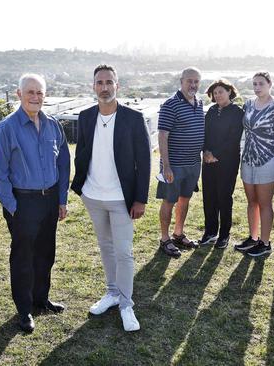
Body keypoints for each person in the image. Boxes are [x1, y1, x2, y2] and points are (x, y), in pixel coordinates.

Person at [71, 65, 151, 332]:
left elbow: (144, 161)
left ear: (118, 86)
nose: (104, 87)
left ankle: (126, 304)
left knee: (124, 252)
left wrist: (140, 199)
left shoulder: (133, 118)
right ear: (93, 86)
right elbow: (81, 153)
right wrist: (80, 187)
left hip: (121, 199)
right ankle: (112, 293)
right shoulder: (84, 116)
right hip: (93, 196)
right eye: (99, 82)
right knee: (106, 247)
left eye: (109, 82)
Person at [0, 73, 70, 333]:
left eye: (40, 93)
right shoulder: (7, 127)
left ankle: (41, 299)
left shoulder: (53, 125)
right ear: (19, 94)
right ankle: (24, 310)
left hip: (49, 201)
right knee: (23, 257)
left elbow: (63, 162)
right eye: (30, 92)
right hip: (22, 202)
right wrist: (13, 207)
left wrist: (61, 199)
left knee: (46, 253)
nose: (35, 97)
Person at [235, 71, 274, 257]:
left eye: (261, 83)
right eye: (254, 84)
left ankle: (265, 242)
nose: (257, 87)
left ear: (270, 84)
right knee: (252, 202)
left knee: (265, 203)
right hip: (248, 158)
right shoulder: (249, 104)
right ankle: (253, 238)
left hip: (268, 160)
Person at [156, 67, 205, 258]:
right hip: (173, 165)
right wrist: (166, 165)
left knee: (185, 199)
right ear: (181, 81)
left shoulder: (199, 103)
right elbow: (162, 135)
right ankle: (165, 239)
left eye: (196, 81)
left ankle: (178, 233)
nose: (193, 85)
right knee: (169, 201)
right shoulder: (170, 104)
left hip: (193, 163)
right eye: (189, 81)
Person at [201, 79, 244, 249]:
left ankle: (224, 235)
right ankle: (210, 232)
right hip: (208, 160)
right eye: (215, 93)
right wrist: (205, 151)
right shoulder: (211, 111)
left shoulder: (237, 112)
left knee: (224, 197)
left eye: (221, 91)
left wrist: (216, 154)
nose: (217, 95)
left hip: (228, 161)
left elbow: (233, 138)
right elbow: (204, 133)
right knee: (209, 196)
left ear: (229, 92)